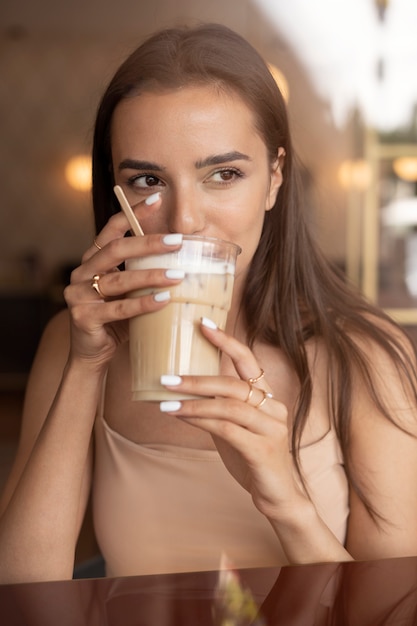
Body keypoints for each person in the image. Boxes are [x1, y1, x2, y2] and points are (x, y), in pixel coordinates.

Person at [0, 23, 416, 585]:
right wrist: (83, 365)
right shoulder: (73, 346)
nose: (185, 221)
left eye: (223, 174)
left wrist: (287, 500)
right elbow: (23, 590)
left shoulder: (363, 358)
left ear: (274, 178)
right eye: (148, 180)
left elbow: (395, 610)